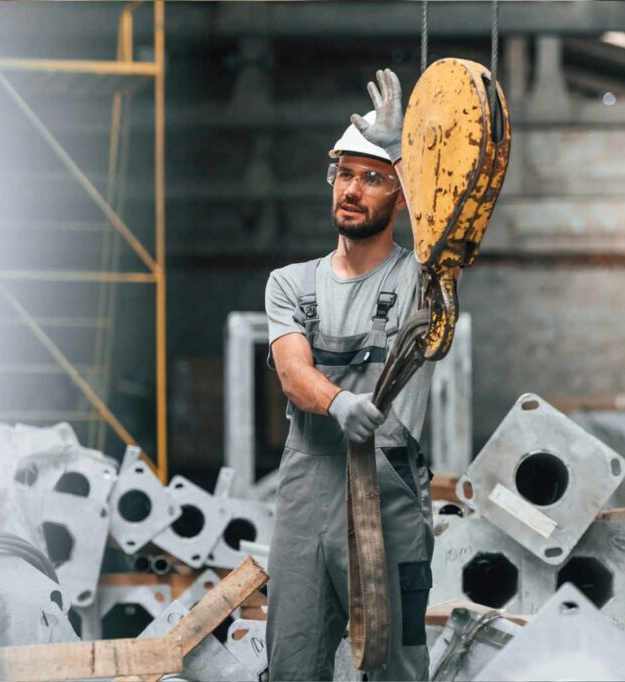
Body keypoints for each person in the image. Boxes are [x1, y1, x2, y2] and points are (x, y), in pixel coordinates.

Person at [264, 68, 436, 681]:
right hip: (307, 490)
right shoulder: (290, 283)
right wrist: (337, 403)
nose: (353, 188)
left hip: (389, 492)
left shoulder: (422, 279)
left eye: (373, 178)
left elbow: (450, 235)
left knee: (396, 669)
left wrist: (405, 157)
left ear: (399, 196)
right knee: (292, 663)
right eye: (344, 174)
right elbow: (292, 371)